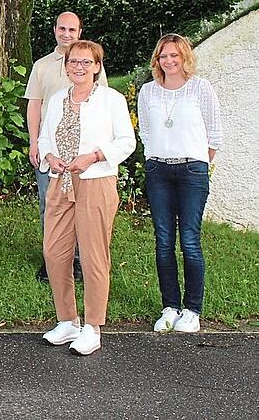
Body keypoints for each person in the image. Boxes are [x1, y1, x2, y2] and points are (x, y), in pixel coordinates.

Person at [38, 40, 135, 356]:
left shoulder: (111, 100)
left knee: (94, 256)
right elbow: (43, 137)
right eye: (73, 62)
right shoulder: (55, 100)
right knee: (54, 253)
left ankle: (93, 327)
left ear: (97, 66)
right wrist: (49, 155)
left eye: (85, 62)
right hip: (59, 181)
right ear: (65, 66)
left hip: (94, 181)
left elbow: (126, 142)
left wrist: (93, 156)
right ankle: (68, 319)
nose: (78, 67)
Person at [139, 34, 222, 334]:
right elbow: (146, 132)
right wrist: (156, 158)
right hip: (159, 171)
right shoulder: (148, 92)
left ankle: (192, 310)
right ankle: (170, 307)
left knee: (189, 241)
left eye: (174, 55)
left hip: (192, 172)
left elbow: (214, 134)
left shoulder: (200, 88)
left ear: (184, 57)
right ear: (157, 60)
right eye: (163, 56)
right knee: (163, 242)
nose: (169, 61)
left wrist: (198, 162)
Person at [24, 12, 108, 283]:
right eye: (62, 28)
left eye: (72, 29)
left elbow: (102, 104)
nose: (66, 34)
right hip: (52, 149)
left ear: (80, 31)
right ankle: (54, 260)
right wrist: (34, 141)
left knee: (84, 206)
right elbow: (34, 104)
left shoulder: (91, 64)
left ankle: (82, 261)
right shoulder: (42, 66)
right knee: (50, 204)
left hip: (84, 150)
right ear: (54, 30)